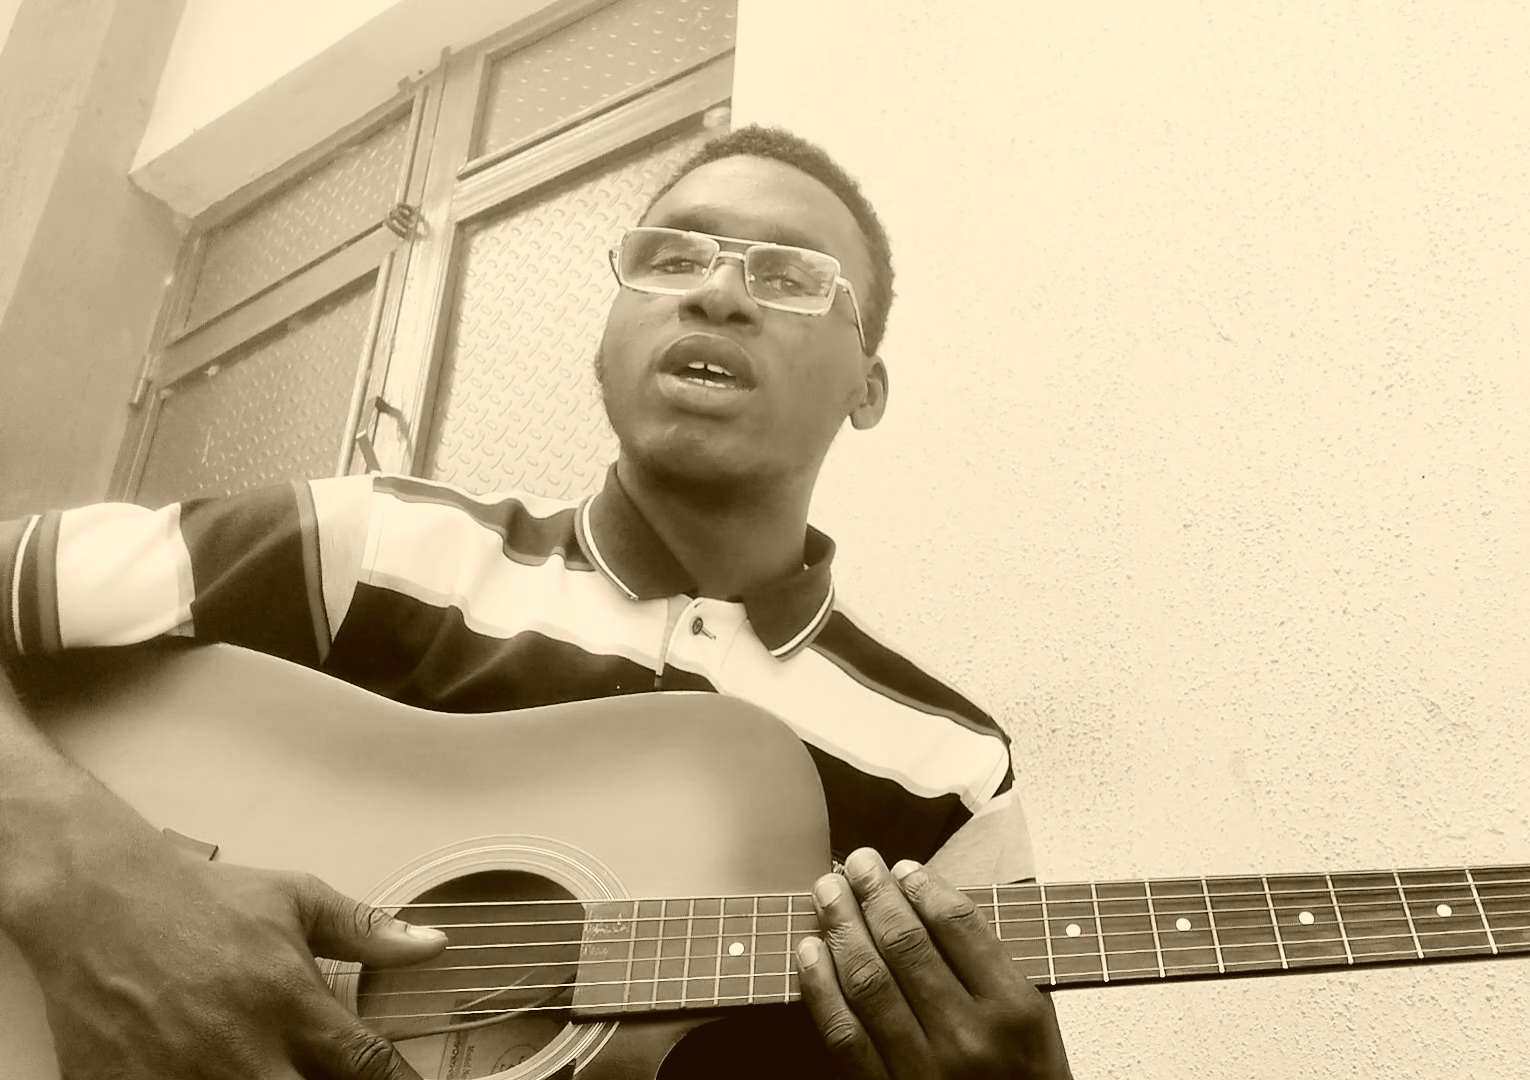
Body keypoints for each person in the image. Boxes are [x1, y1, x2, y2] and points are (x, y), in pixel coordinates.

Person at [0, 124, 1075, 1079]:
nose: (717, 293)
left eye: (789, 275)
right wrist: (91, 888)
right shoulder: (377, 549)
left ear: (867, 387)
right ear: (606, 334)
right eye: (672, 258)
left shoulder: (948, 773)